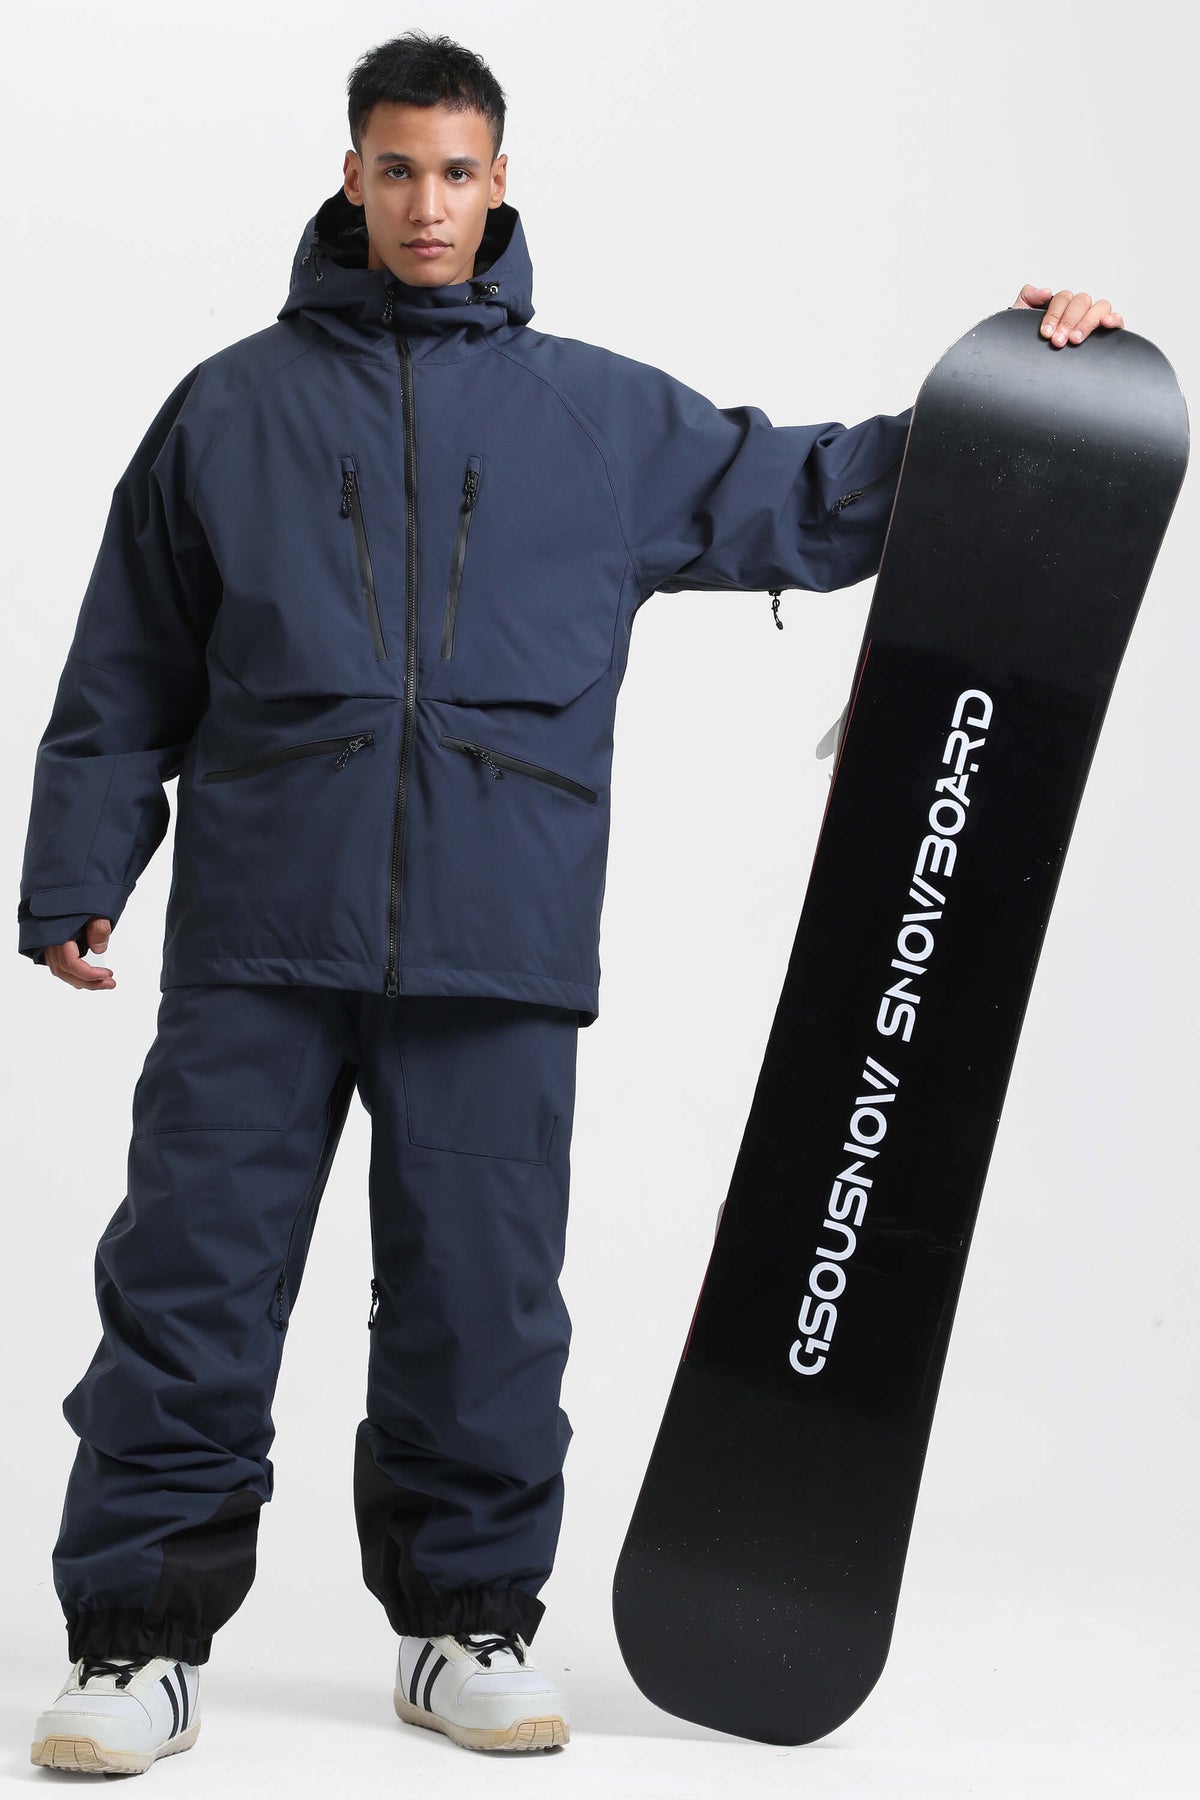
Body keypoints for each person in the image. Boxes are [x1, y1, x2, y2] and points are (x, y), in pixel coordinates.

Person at [19, 28, 1124, 1772]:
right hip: (259, 941)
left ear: (500, 181)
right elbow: (127, 663)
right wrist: (80, 870)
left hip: (498, 941)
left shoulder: (593, 418)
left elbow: (811, 493)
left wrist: (1022, 397)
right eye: (397, 170)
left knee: (481, 1303)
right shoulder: (228, 409)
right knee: (189, 1287)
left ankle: (466, 1622)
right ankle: (133, 1644)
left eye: (457, 172)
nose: (427, 203)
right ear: (351, 176)